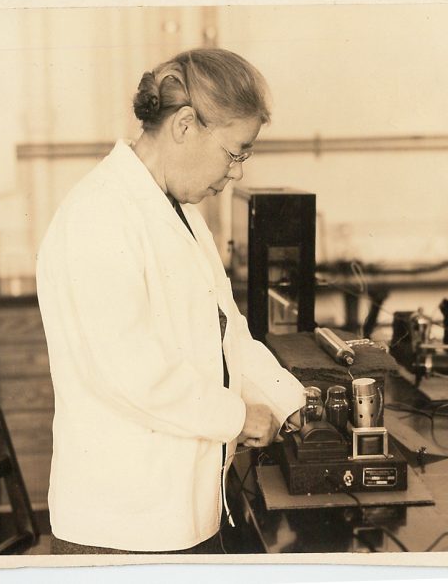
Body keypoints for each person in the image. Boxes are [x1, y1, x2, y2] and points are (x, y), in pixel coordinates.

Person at [36, 48, 304, 555]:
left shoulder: (179, 213)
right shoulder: (99, 216)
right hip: (122, 533)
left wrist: (297, 407)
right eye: (235, 151)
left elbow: (231, 335)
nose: (237, 173)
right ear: (185, 125)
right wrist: (238, 416)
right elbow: (130, 373)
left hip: (181, 515)